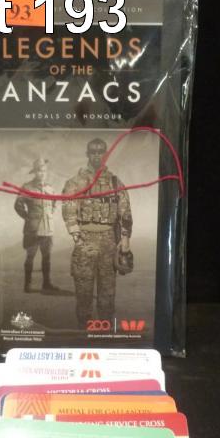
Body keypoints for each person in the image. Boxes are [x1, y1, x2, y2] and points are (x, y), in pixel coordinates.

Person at [62, 138, 133, 329]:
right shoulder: (75, 182)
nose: (96, 155)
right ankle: (83, 328)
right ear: (87, 154)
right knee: (83, 287)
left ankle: (105, 327)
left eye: (100, 152)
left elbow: (125, 211)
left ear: (105, 154)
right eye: (93, 152)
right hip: (85, 239)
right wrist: (76, 234)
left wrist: (125, 238)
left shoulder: (115, 182)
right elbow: (68, 208)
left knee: (107, 288)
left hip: (109, 240)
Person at [14, 157, 59, 293]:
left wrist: (50, 214)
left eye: (44, 170)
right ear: (35, 172)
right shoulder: (27, 187)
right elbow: (18, 205)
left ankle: (46, 283)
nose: (42, 173)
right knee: (30, 257)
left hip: (48, 229)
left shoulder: (50, 188)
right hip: (33, 229)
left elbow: (54, 203)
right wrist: (28, 218)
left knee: (47, 257)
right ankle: (27, 285)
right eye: (39, 171)